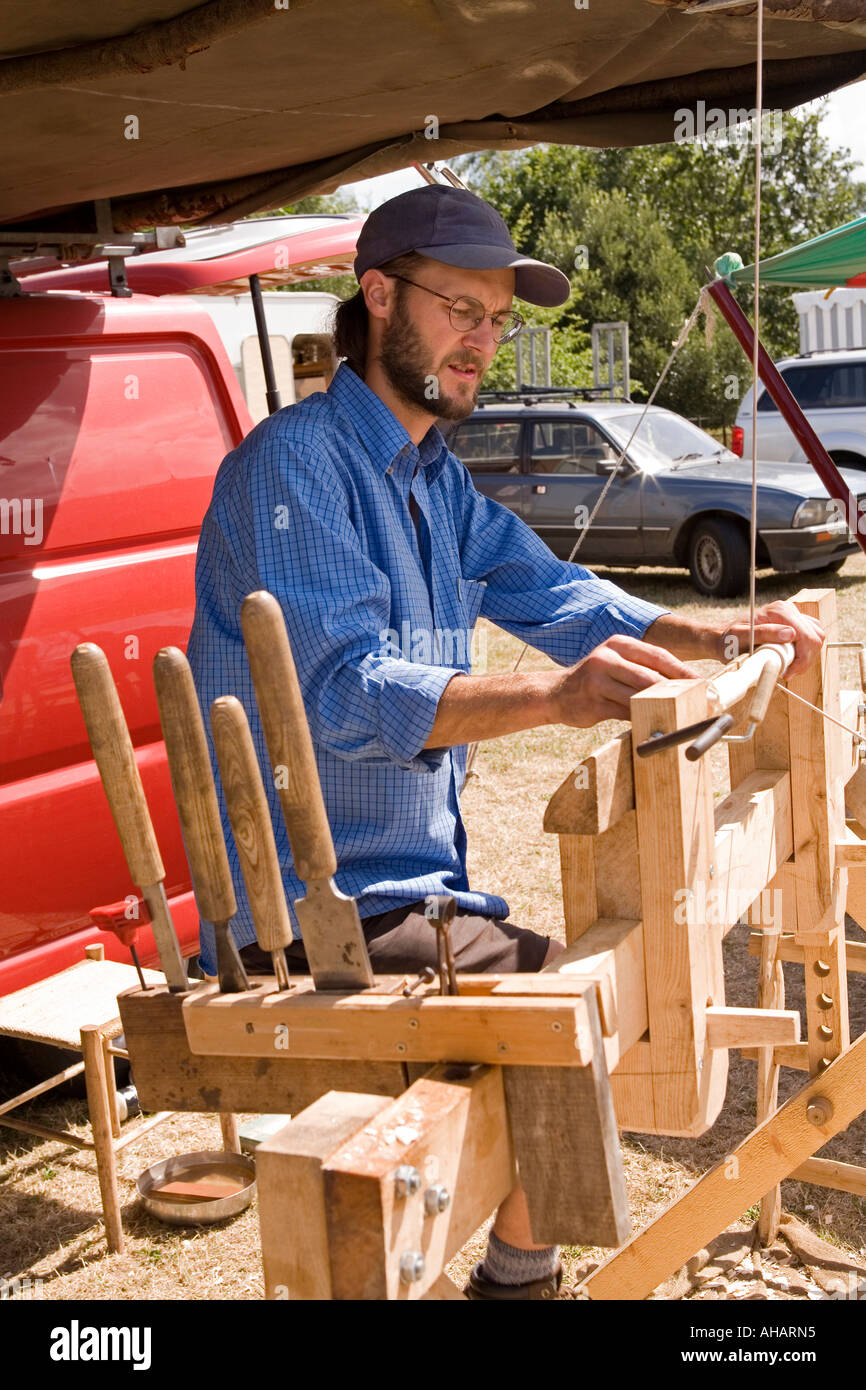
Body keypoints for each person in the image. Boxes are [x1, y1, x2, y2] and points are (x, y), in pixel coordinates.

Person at [187, 183, 824, 1299]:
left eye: (496, 319)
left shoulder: (435, 474)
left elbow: (558, 591)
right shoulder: (297, 466)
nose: (481, 341)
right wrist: (551, 700)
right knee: (585, 1003)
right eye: (457, 311)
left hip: (406, 897)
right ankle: (518, 1284)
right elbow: (343, 689)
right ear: (378, 296)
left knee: (595, 990)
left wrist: (712, 631)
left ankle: (514, 1274)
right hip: (309, 915)